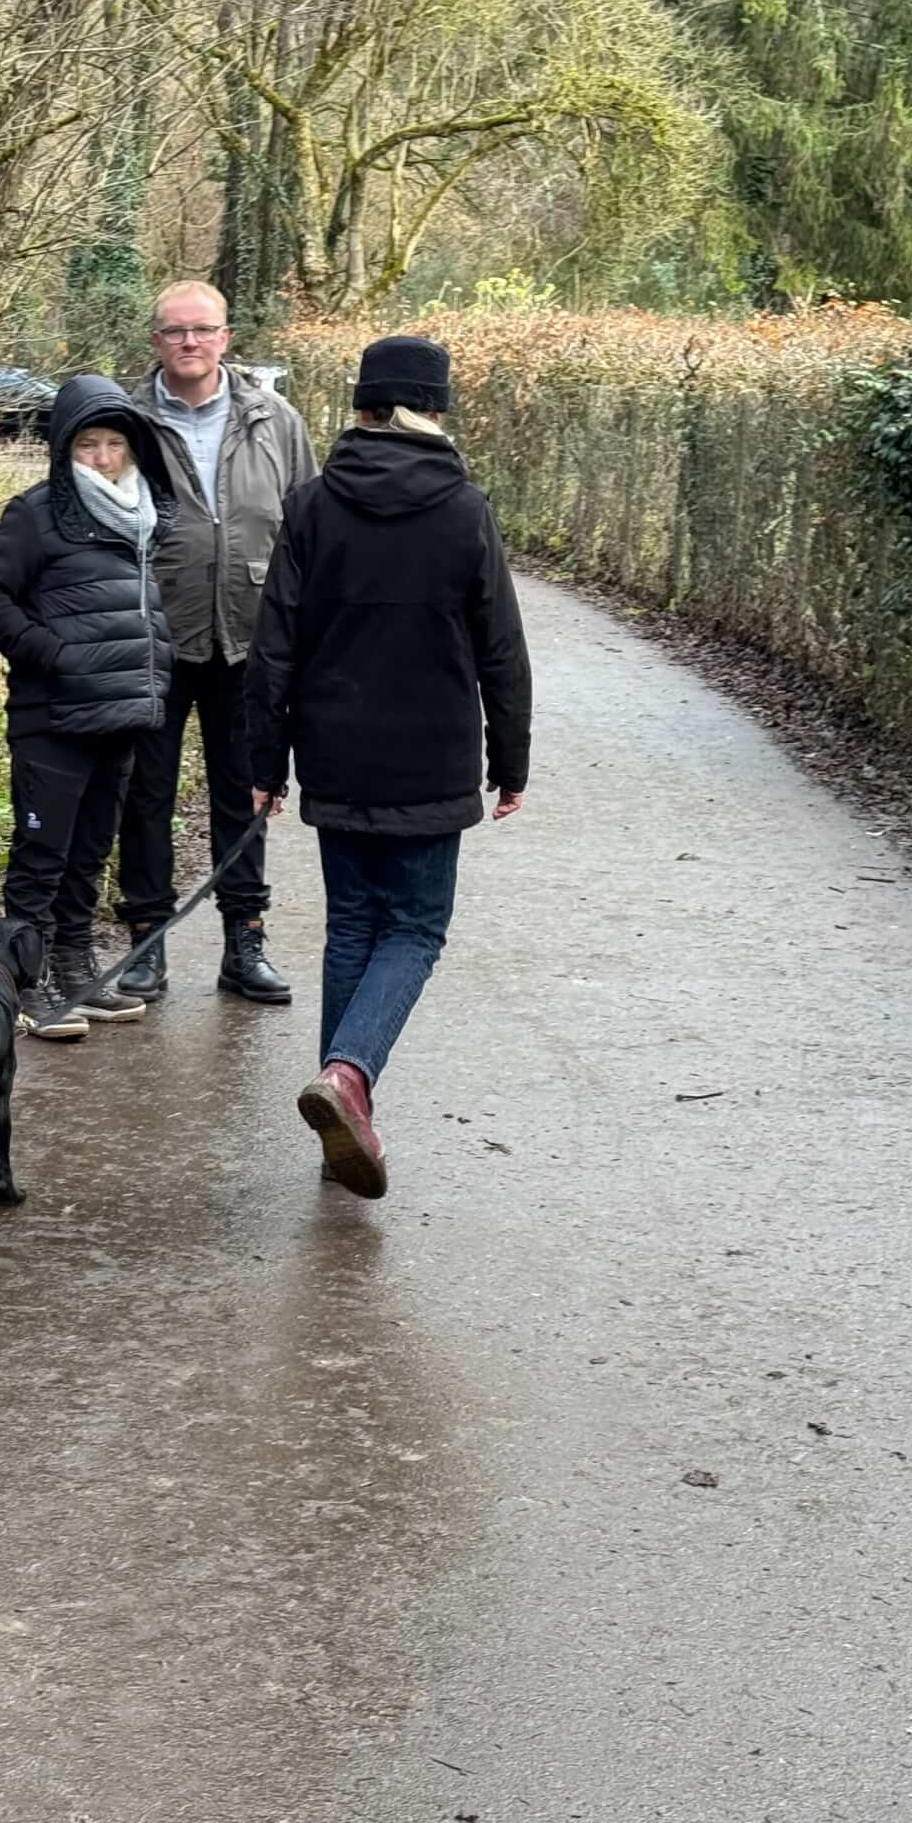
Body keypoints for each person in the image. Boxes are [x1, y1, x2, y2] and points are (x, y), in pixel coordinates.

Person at [244, 334, 533, 1196]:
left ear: (363, 407)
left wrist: (265, 762)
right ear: (434, 410)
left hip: (334, 751)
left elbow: (273, 646)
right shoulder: (465, 510)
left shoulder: (311, 506)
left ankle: (340, 1124)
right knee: (413, 930)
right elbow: (502, 648)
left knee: (352, 928)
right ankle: (348, 1077)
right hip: (431, 757)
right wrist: (511, 760)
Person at [110, 280, 319, 1009]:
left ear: (226, 338)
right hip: (151, 636)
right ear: (156, 341)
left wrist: (307, 634)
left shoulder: (275, 420)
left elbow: (309, 526)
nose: (189, 342)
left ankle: (245, 942)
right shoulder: (125, 422)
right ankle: (145, 942)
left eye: (202, 329)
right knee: (145, 795)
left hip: (250, 640)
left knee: (246, 793)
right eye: (175, 331)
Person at [0, 374, 177, 1042]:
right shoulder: (34, 514)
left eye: (114, 443)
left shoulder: (143, 516)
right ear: (64, 447)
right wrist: (54, 655)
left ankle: (76, 968)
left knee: (88, 855)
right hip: (51, 718)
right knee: (42, 856)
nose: (103, 457)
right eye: (88, 444)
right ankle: (25, 984)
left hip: (120, 715)